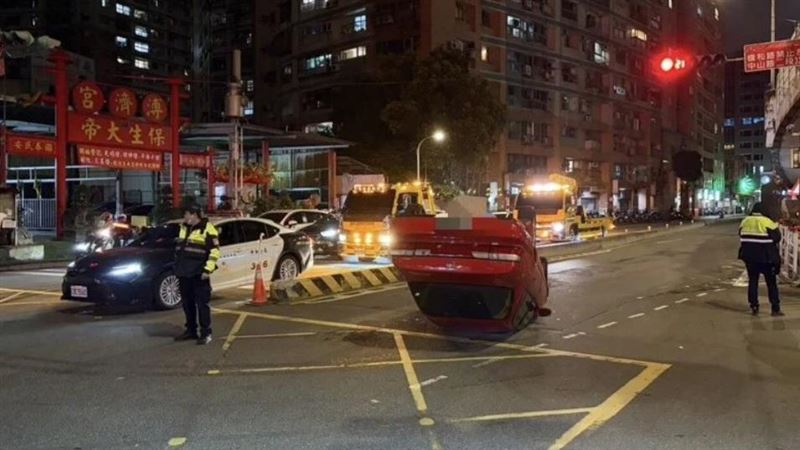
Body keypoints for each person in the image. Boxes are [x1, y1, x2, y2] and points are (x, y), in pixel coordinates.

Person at [174, 205, 221, 344]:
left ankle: (206, 333)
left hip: (199, 273)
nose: (185, 217)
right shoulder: (184, 228)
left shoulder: (207, 228)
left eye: (186, 214)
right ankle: (191, 331)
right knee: (187, 304)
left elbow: (215, 251)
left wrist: (207, 270)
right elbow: (181, 249)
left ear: (194, 215)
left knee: (202, 305)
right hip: (184, 273)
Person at [738, 203, 783, 316]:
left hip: (749, 257)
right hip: (766, 258)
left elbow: (741, 234)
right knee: (771, 283)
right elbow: (777, 238)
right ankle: (775, 308)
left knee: (753, 281)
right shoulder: (767, 222)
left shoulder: (745, 221)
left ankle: (754, 306)